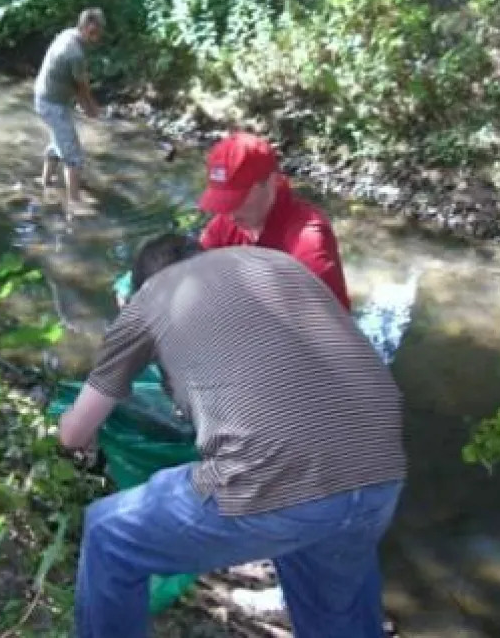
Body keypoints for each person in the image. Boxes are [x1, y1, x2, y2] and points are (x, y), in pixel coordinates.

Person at [60, 234, 406, 638]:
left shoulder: (149, 301)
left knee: (108, 533)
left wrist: (73, 437)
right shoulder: (273, 265)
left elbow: (74, 432)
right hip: (379, 466)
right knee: (332, 604)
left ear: (141, 284)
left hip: (279, 480)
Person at [198, 131, 351, 310]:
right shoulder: (225, 224)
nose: (230, 215)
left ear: (271, 182)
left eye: (239, 199)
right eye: (224, 203)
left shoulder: (307, 241)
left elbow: (324, 328)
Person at [34, 8, 104, 212]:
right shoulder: (75, 54)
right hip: (52, 104)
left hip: (44, 97)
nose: (96, 37)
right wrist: (91, 108)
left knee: (59, 141)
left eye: (98, 32)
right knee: (73, 155)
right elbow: (82, 87)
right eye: (92, 32)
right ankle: (74, 202)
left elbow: (76, 85)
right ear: (83, 27)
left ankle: (45, 182)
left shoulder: (67, 34)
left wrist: (87, 106)